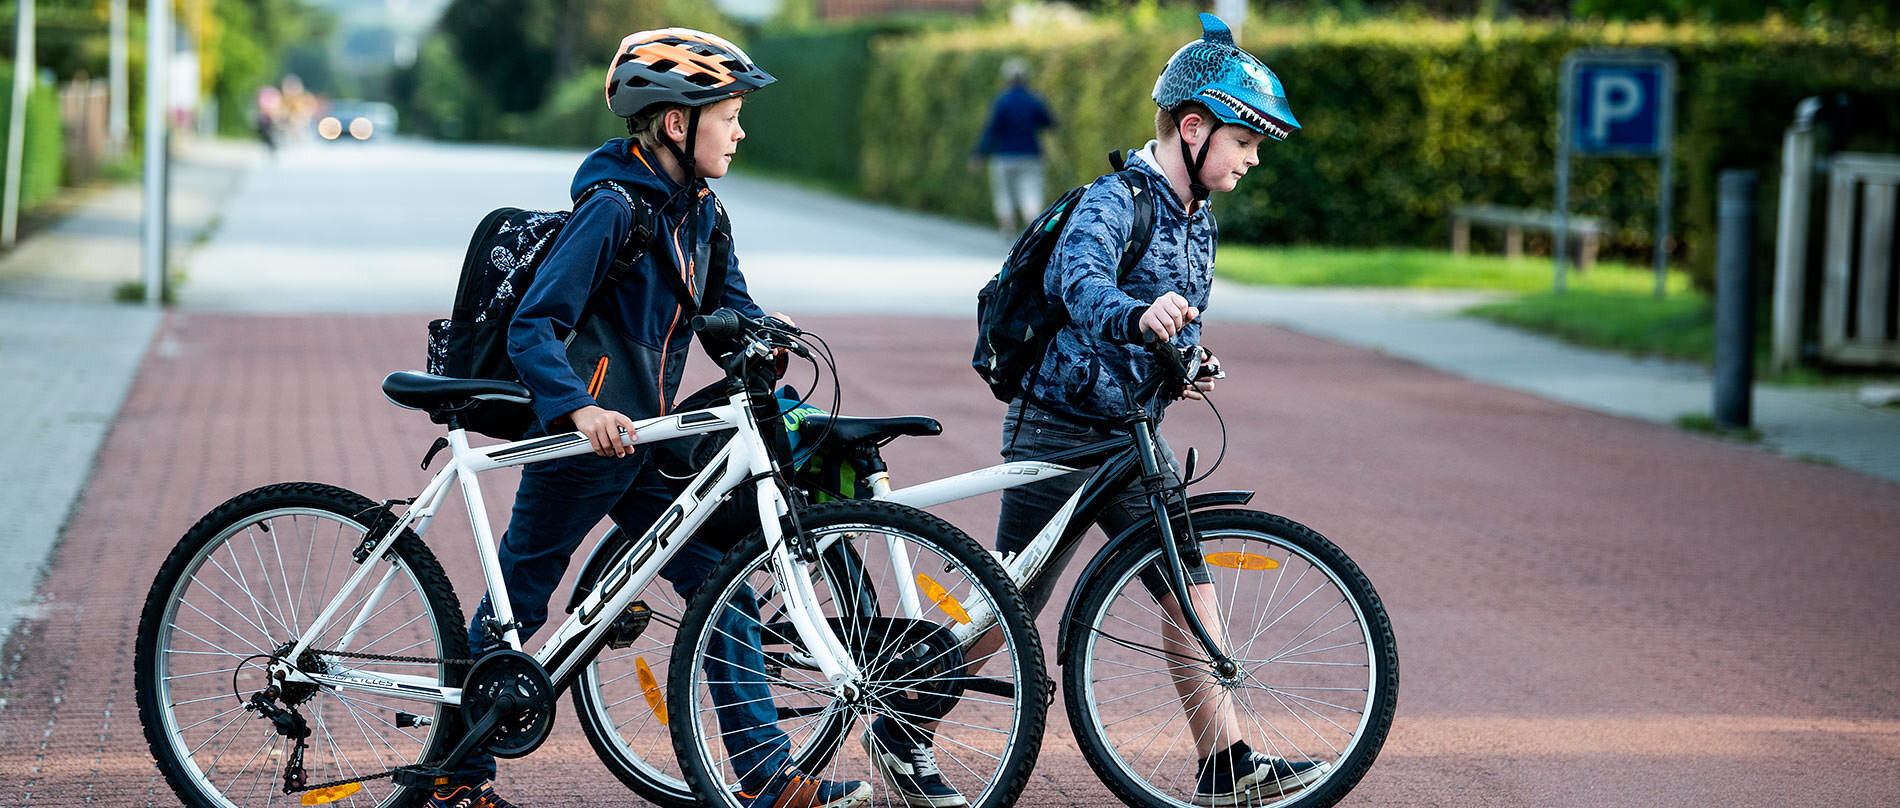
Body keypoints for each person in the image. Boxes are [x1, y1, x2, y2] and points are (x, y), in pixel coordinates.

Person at [864, 14, 1326, 808]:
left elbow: (1185, 313)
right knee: (1009, 601)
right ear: (1192, 128)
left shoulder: (1199, 222)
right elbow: (1079, 288)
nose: (1254, 159)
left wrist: (1189, 359)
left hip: (1130, 435)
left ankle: (1227, 763)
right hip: (1057, 427)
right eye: (1246, 141)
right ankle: (902, 728)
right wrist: (1137, 318)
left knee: (1187, 582)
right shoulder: (1115, 201)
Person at [429, 28, 872, 808]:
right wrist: (578, 409)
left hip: (651, 445)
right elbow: (535, 326)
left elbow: (725, 309)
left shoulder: (703, 212)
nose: (740, 130)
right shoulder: (611, 209)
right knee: (517, 605)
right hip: (587, 447)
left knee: (720, 595)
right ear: (677, 124)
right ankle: (453, 774)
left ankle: (769, 781)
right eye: (729, 115)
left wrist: (763, 335)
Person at [972, 57, 1056, 235]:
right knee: (1031, 191)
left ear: (1007, 78)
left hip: (1004, 155)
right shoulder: (1034, 100)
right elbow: (1049, 122)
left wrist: (979, 154)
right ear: (1026, 78)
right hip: (1031, 154)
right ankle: (1033, 227)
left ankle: (1007, 224)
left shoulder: (1001, 101)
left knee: (1004, 192)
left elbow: (992, 130)